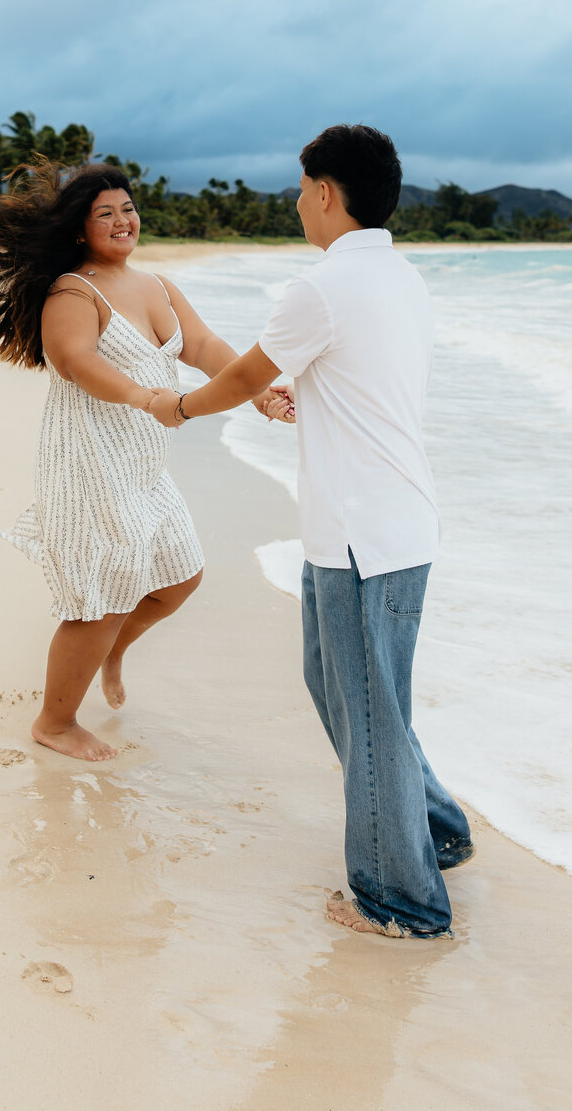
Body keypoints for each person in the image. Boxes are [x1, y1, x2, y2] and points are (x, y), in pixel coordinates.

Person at [148, 124, 472, 940]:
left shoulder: (322, 289)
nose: (297, 204)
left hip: (364, 537)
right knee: (347, 693)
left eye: (300, 189)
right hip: (379, 525)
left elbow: (248, 374)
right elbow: (344, 379)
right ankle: (435, 827)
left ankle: (402, 900)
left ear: (327, 192)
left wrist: (176, 406)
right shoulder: (401, 279)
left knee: (367, 714)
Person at [0, 162, 286, 763]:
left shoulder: (158, 285)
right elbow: (74, 359)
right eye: (105, 213)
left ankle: (111, 651)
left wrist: (255, 391)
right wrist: (150, 398)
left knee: (179, 577)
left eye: (127, 208)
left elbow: (203, 346)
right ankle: (55, 721)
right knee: (100, 597)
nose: (122, 220)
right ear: (80, 230)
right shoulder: (73, 291)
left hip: (143, 462)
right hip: (88, 461)